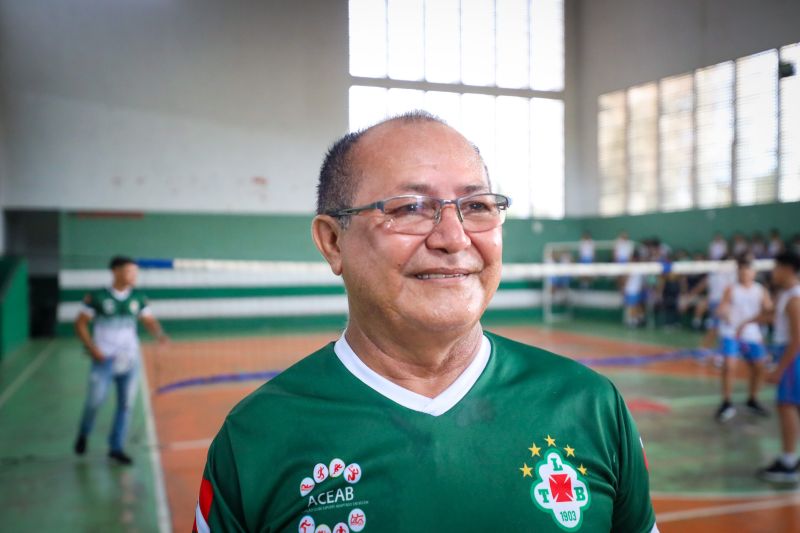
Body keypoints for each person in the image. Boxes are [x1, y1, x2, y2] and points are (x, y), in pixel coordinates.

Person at [192, 112, 659, 532]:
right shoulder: (256, 438)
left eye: (476, 207)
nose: (454, 238)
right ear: (333, 242)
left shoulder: (591, 406)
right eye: (410, 207)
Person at [74, 256, 167, 465]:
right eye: (129, 271)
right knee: (95, 401)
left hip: (130, 360)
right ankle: (84, 432)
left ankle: (116, 448)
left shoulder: (138, 297)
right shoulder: (97, 297)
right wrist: (93, 348)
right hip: (103, 359)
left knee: (126, 405)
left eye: (135, 272)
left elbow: (148, 320)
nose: (134, 276)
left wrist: (159, 335)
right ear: (116, 271)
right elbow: (80, 323)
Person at [756, 251, 800, 482]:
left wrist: (780, 369)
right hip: (790, 355)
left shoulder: (794, 298)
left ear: (788, 269)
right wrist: (748, 321)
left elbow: (797, 339)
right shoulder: (786, 294)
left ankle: (789, 462)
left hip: (793, 358)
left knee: (787, 406)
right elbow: (772, 317)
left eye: (777, 267)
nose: (773, 271)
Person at [713, 256, 772, 422]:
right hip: (731, 333)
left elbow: (769, 310)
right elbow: (721, 308)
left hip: (752, 334)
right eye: (741, 271)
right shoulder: (731, 289)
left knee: (759, 366)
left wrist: (768, 312)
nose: (744, 274)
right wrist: (723, 312)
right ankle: (726, 403)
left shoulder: (760, 290)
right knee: (729, 365)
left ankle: (752, 400)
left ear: (753, 273)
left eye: (747, 271)